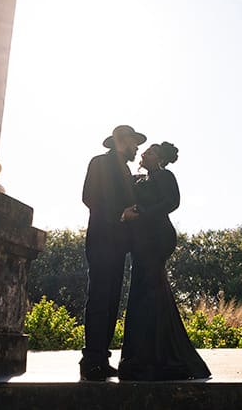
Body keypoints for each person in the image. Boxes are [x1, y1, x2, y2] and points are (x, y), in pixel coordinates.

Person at [117, 141, 211, 381]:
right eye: (145, 151)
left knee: (150, 291)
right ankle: (141, 357)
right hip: (140, 241)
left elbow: (172, 202)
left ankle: (159, 360)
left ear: (160, 159)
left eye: (151, 152)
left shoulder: (165, 176)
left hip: (157, 237)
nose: (145, 153)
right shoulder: (139, 179)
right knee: (143, 292)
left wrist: (143, 213)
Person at [79, 124, 145, 381]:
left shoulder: (125, 169)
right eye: (133, 142)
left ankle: (100, 359)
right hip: (102, 240)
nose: (136, 147)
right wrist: (120, 214)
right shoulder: (99, 163)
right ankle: (91, 361)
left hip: (118, 244)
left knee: (110, 302)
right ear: (121, 140)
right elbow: (89, 197)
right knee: (99, 299)